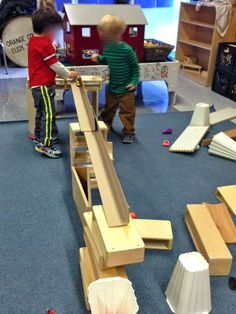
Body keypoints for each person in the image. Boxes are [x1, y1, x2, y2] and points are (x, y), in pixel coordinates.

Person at [28, 8, 79, 158]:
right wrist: (68, 74)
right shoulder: (44, 44)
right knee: (49, 114)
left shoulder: (35, 40)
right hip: (43, 85)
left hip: (37, 85)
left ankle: (38, 136)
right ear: (49, 29)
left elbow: (47, 52)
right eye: (56, 30)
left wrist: (53, 44)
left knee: (41, 113)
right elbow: (55, 64)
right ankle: (46, 144)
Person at [91, 15, 139, 144]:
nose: (104, 38)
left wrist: (134, 82)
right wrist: (99, 58)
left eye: (107, 35)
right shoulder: (108, 48)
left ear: (117, 34)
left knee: (127, 112)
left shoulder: (127, 50)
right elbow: (108, 60)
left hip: (126, 89)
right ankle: (105, 124)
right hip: (112, 87)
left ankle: (129, 132)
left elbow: (135, 68)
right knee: (109, 108)